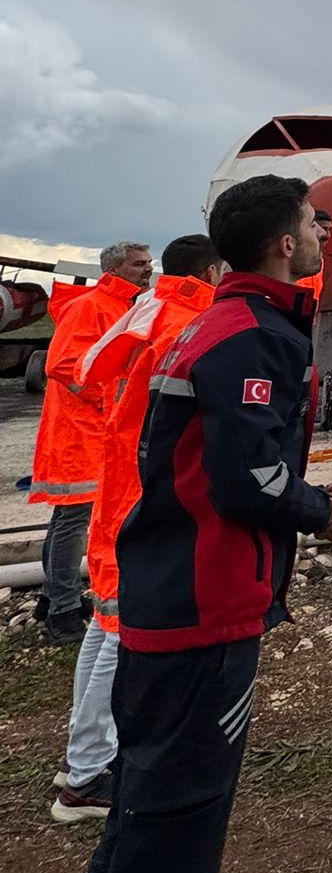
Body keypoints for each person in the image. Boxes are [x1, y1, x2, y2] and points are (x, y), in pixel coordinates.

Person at [49, 175, 332, 873]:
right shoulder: (249, 335)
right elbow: (248, 477)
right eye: (315, 220)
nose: (326, 231)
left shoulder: (225, 318)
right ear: (280, 241)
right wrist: (324, 510)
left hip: (168, 603)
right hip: (199, 623)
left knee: (136, 836)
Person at [49, 235, 225, 826]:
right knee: (120, 635)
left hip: (118, 484)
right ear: (211, 270)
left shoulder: (143, 311)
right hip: (141, 497)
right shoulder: (189, 322)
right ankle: (84, 778)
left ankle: (84, 757)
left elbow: (94, 375)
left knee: (105, 626)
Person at [29, 242, 154, 645]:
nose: (147, 270)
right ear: (113, 269)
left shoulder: (122, 307)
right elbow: (61, 365)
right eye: (138, 264)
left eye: (149, 263)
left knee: (69, 521)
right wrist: (109, 399)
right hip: (80, 434)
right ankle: (62, 613)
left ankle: (53, 599)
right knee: (74, 522)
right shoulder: (91, 307)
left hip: (96, 432)